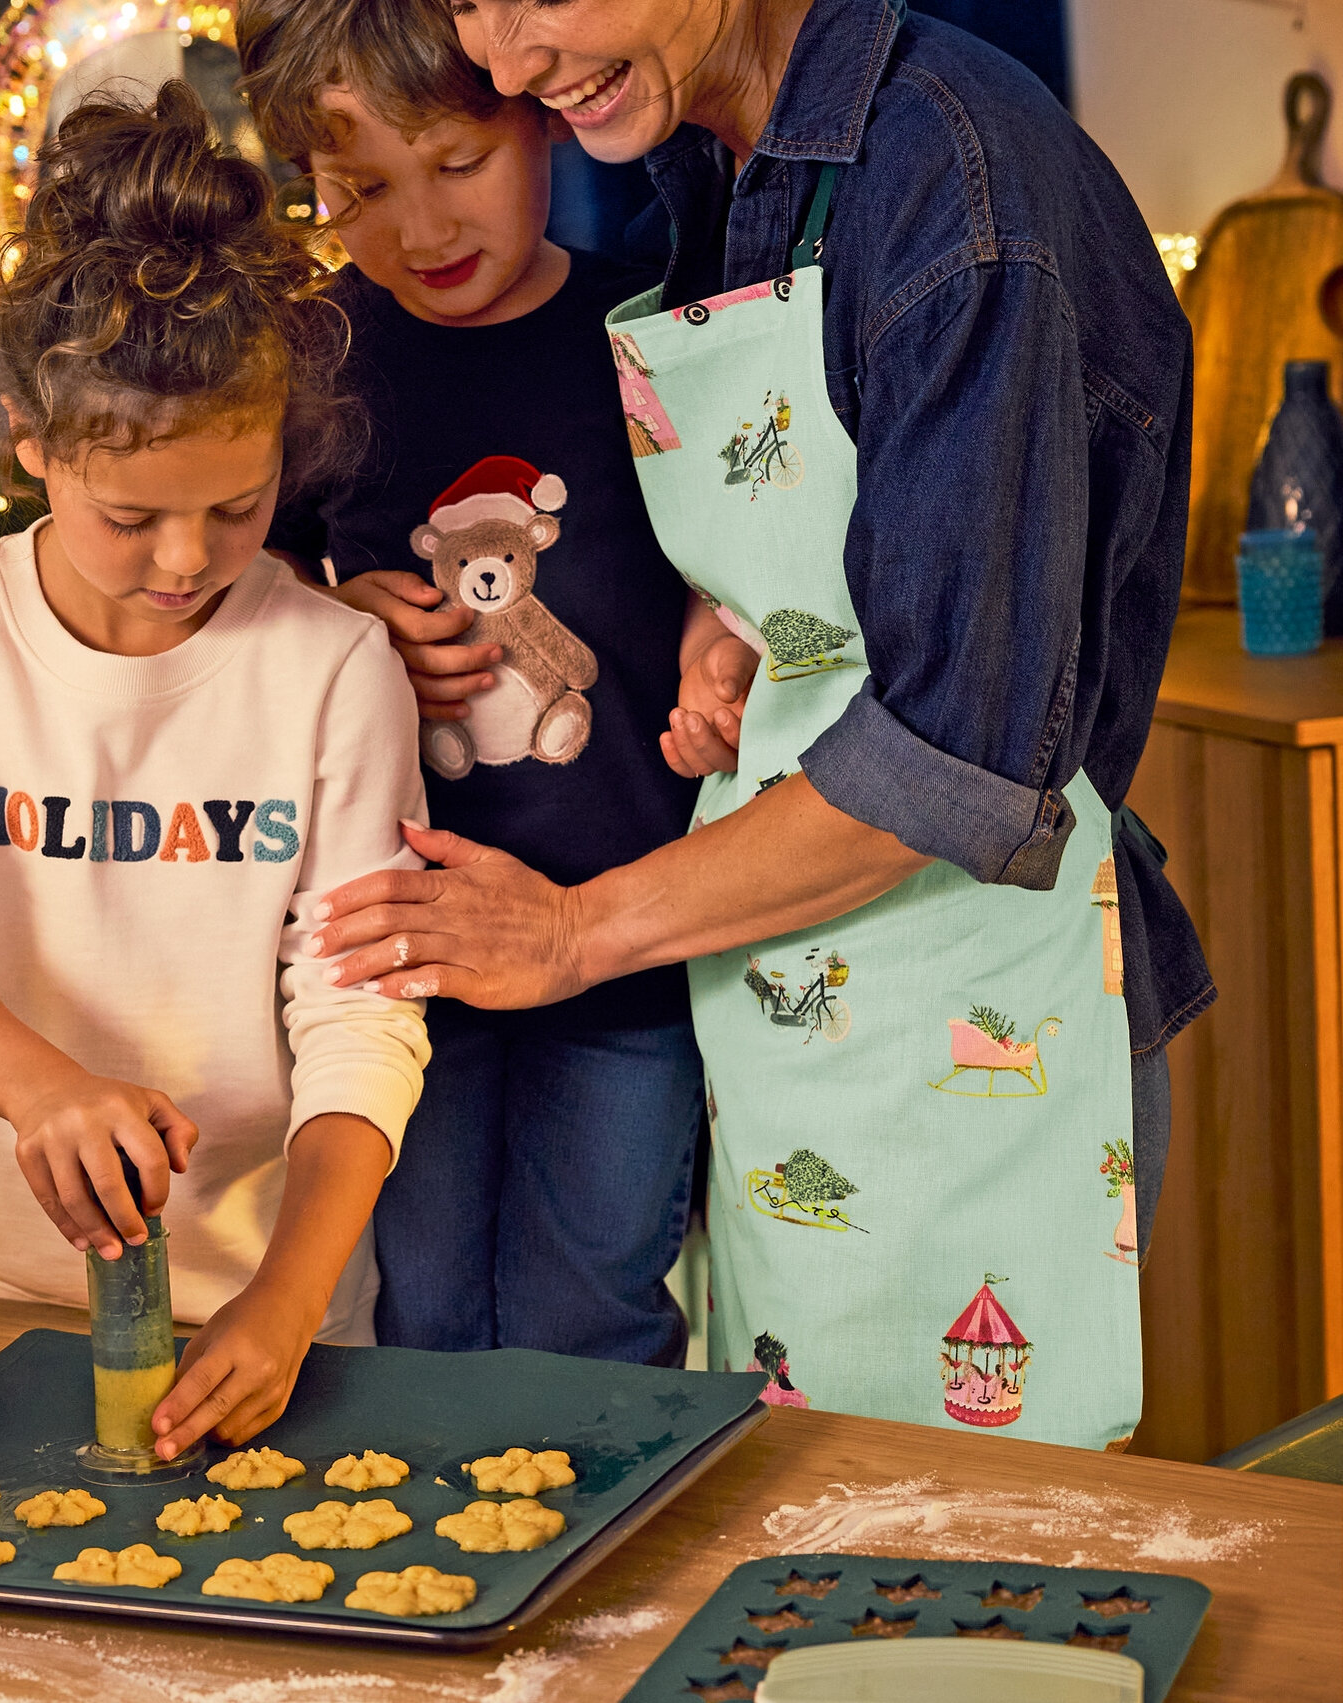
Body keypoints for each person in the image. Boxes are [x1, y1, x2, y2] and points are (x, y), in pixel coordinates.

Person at [312, 0, 1211, 1449]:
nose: (508, 58)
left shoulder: (951, 192)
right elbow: (835, 567)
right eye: (476, 5)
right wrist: (733, 619)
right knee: (800, 1586)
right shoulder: (735, 169)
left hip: (964, 1022)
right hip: (783, 1013)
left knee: (963, 1619)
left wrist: (572, 934)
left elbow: (952, 755)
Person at [0, 83, 430, 1459]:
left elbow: (360, 1022)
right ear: (32, 440)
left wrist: (286, 1299)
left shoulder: (331, 667)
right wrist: (44, 1091)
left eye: (238, 505)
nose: (185, 560)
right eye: (130, 515)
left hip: (276, 1327)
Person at [238, 0, 704, 1366]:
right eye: (361, 190)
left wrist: (719, 633)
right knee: (427, 1313)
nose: (423, 228)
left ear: (542, 115)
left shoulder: (649, 327)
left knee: (595, 1313)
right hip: (397, 962)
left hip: (624, 946)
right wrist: (332, 612)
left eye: (456, 162)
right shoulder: (310, 360)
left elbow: (750, 548)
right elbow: (227, 613)